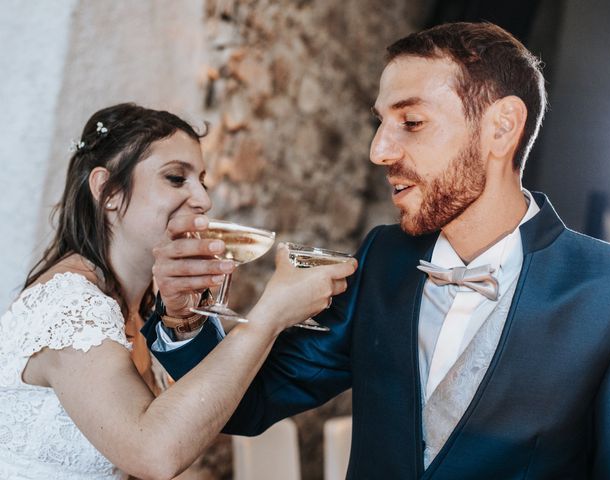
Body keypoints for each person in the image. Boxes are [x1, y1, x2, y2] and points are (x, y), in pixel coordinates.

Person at [144, 23, 610, 479]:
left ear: (502, 127)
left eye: (412, 121)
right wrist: (185, 321)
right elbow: (251, 402)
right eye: (381, 122)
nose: (379, 150)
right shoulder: (383, 258)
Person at [0, 103, 357, 479]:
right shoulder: (70, 306)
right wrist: (270, 315)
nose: (202, 199)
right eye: (175, 178)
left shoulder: (142, 308)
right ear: (107, 192)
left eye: (202, 180)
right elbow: (154, 454)